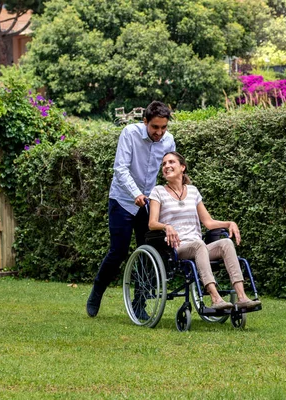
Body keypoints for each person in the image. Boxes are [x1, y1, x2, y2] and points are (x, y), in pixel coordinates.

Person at [87, 101, 175, 318]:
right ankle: (97, 292)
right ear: (145, 121)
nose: (159, 132)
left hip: (149, 203)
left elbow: (170, 170)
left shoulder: (168, 140)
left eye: (163, 128)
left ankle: (139, 303)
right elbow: (120, 168)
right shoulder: (129, 133)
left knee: (150, 253)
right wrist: (136, 193)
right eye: (155, 127)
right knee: (118, 252)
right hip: (123, 200)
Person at [148, 151, 261, 310]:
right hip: (177, 247)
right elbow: (152, 223)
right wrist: (166, 226)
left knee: (226, 243)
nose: (166, 166)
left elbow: (208, 222)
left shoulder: (193, 191)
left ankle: (242, 297)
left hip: (198, 246)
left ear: (182, 167)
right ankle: (215, 298)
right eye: (164, 164)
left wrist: (229, 223)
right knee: (198, 245)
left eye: (171, 162)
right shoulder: (158, 191)